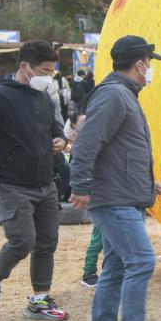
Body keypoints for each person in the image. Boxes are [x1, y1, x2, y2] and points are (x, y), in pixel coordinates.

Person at [70, 35, 161, 321]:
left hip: (123, 194)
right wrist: (80, 184)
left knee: (114, 268)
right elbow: (87, 142)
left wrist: (147, 182)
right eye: (149, 62)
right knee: (141, 261)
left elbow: (120, 151)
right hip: (114, 200)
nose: (150, 69)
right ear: (139, 63)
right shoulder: (114, 95)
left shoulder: (123, 94)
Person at [0, 40, 69, 321]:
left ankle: (40, 299)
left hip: (46, 181)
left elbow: (57, 129)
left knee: (47, 242)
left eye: (52, 72)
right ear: (25, 67)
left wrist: (61, 140)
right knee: (22, 240)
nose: (49, 77)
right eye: (44, 71)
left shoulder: (44, 98)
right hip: (11, 183)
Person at [64, 109, 103, 288]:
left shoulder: (98, 139)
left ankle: (109, 268)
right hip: (99, 195)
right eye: (81, 123)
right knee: (99, 235)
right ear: (74, 127)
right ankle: (89, 273)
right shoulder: (81, 147)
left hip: (111, 191)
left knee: (110, 236)